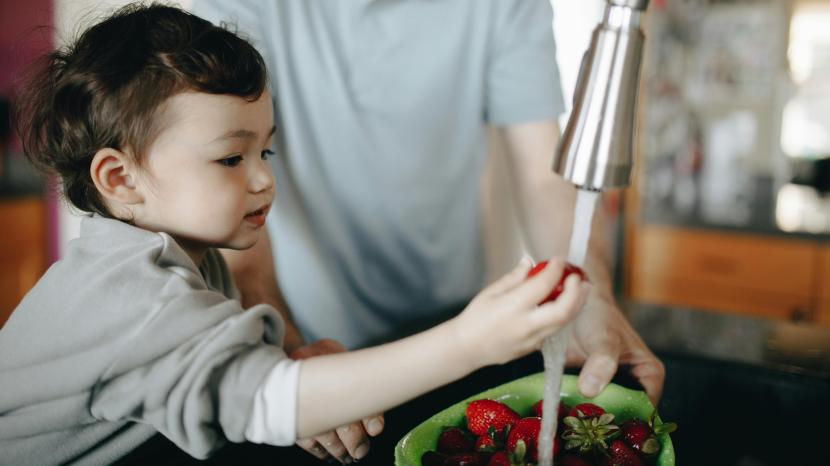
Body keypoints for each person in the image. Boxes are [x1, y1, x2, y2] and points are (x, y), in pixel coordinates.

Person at [0, 4, 591, 465]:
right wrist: (469, 343)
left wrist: (297, 361)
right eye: (232, 159)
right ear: (120, 178)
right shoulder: (128, 299)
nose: (263, 178)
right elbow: (266, 402)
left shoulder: (180, 259)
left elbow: (236, 376)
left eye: (268, 149)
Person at [190, 0, 666, 461]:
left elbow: (545, 175)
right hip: (313, 340)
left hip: (459, 324)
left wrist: (593, 297)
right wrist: (286, 345)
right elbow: (227, 208)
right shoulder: (238, 6)